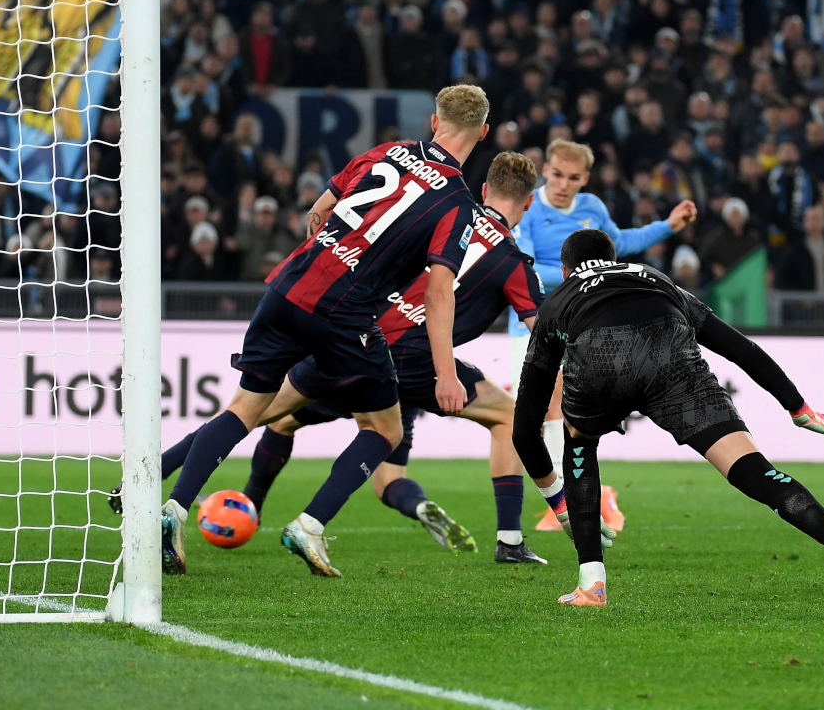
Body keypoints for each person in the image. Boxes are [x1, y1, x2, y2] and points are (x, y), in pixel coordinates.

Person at [127, 153, 614, 568]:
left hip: (354, 335)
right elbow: (543, 335)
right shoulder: (513, 263)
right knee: (501, 420)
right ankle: (511, 539)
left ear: (485, 188)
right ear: (529, 203)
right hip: (418, 362)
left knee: (254, 412)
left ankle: (145, 486)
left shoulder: (444, 216)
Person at [155, 85, 489, 576]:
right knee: (386, 428)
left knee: (246, 410)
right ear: (482, 133)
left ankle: (174, 509)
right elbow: (439, 293)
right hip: (344, 315)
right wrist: (446, 374)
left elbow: (319, 209)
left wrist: (335, 251)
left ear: (435, 123)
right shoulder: (458, 204)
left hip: (288, 287)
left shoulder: (388, 151)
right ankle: (309, 525)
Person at [511, 228, 824, 615]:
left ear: (566, 271)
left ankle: (591, 583)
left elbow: (524, 428)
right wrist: (796, 405)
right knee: (755, 470)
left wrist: (561, 504)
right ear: (614, 261)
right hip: (670, 352)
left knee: (579, 438)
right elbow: (741, 347)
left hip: (601, 359)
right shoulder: (654, 277)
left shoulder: (557, 300)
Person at [508, 139, 696, 531]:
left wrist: (667, 226)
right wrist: (585, 277)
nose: (563, 184)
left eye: (573, 178)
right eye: (557, 174)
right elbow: (522, 270)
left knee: (562, 408)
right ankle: (577, 498)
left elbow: (619, 245)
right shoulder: (528, 207)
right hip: (530, 324)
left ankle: (566, 502)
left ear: (584, 179)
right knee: (536, 417)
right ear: (546, 170)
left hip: (581, 324)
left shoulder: (592, 208)